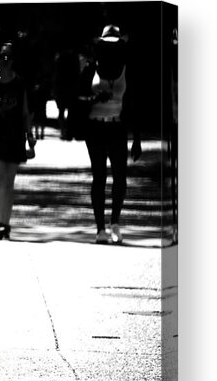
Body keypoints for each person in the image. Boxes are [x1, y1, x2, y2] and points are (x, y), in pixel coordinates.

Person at [83, 25, 141, 244]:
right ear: (100, 45)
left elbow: (134, 104)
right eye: (107, 44)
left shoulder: (127, 68)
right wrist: (94, 100)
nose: (110, 48)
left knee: (120, 176)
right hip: (95, 127)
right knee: (99, 177)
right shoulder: (91, 68)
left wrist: (137, 138)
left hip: (117, 127)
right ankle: (100, 229)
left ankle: (115, 222)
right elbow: (77, 99)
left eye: (115, 45)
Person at [0, 42, 35, 240]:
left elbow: (25, 112)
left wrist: (30, 136)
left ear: (13, 61)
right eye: (2, 56)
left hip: (15, 135)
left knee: (9, 181)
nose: (5, 60)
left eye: (9, 57)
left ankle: (6, 223)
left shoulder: (20, 83)